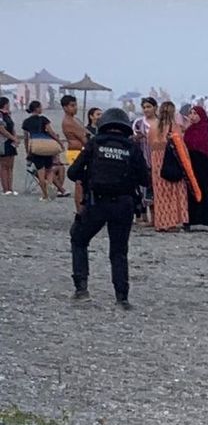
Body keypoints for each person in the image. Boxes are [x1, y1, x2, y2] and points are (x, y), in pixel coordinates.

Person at [66, 108, 150, 309]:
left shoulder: (95, 144)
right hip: (124, 204)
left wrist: (88, 177)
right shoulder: (131, 147)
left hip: (97, 202)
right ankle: (122, 297)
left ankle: (81, 289)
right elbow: (145, 179)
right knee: (119, 251)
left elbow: (72, 172)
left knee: (79, 239)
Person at [149, 101, 189, 232]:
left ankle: (161, 222)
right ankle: (173, 221)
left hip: (157, 159)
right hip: (171, 158)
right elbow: (180, 144)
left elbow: (151, 144)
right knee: (174, 189)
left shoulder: (153, 126)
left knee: (160, 192)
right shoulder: (175, 126)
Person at [22, 100, 69, 201]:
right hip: (47, 148)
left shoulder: (26, 122)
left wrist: (28, 151)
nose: (42, 108)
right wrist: (59, 142)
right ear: (37, 108)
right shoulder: (43, 119)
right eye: (41, 107)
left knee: (41, 173)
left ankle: (45, 195)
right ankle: (50, 185)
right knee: (49, 170)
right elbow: (51, 132)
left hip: (36, 148)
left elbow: (26, 138)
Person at [132, 98, 158, 225]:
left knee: (155, 189)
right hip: (142, 159)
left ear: (155, 107)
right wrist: (137, 137)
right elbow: (132, 139)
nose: (146, 109)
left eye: (149, 106)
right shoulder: (138, 123)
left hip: (157, 160)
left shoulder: (160, 123)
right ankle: (144, 216)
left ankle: (155, 218)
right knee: (143, 189)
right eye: (144, 107)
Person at [61, 95, 89, 167]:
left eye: (76, 105)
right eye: (72, 106)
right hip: (75, 152)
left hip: (78, 151)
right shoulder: (69, 122)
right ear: (65, 108)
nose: (75, 108)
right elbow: (83, 139)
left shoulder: (74, 119)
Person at [0, 97, 18, 195]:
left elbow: (12, 127)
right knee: (4, 166)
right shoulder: (0, 115)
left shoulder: (8, 114)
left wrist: (15, 138)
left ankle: (10, 188)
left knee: (10, 166)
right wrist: (12, 138)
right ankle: (5, 188)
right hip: (3, 142)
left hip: (10, 142)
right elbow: (2, 129)